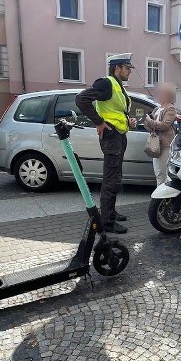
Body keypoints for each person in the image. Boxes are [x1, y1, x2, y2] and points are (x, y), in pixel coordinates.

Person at [76, 53, 138, 234]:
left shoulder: (118, 86)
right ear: (117, 68)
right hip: (111, 137)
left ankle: (111, 212)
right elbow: (81, 99)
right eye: (127, 68)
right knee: (111, 180)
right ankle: (107, 222)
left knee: (115, 178)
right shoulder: (106, 83)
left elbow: (116, 111)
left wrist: (129, 121)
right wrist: (98, 122)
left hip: (118, 135)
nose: (129, 72)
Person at [144, 82, 177, 185]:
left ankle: (161, 198)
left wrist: (150, 121)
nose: (158, 95)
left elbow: (164, 125)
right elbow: (148, 125)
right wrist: (149, 123)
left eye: (161, 93)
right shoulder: (157, 109)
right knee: (158, 172)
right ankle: (163, 197)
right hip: (156, 143)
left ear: (168, 95)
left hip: (165, 144)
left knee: (161, 173)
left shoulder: (170, 109)